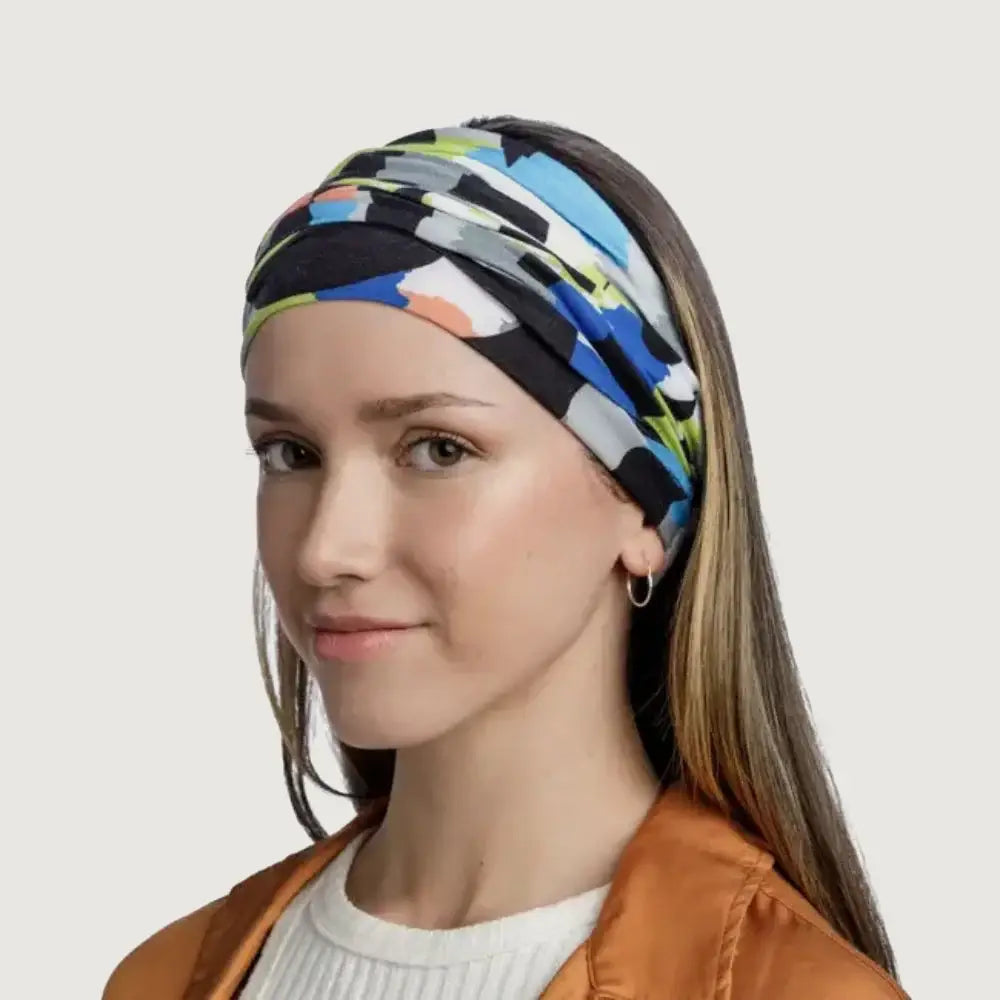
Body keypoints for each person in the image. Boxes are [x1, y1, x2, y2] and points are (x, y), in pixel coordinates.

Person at [102, 116, 908, 999]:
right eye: (291, 453)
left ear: (642, 502)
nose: (327, 548)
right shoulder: (165, 979)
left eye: (437, 449)